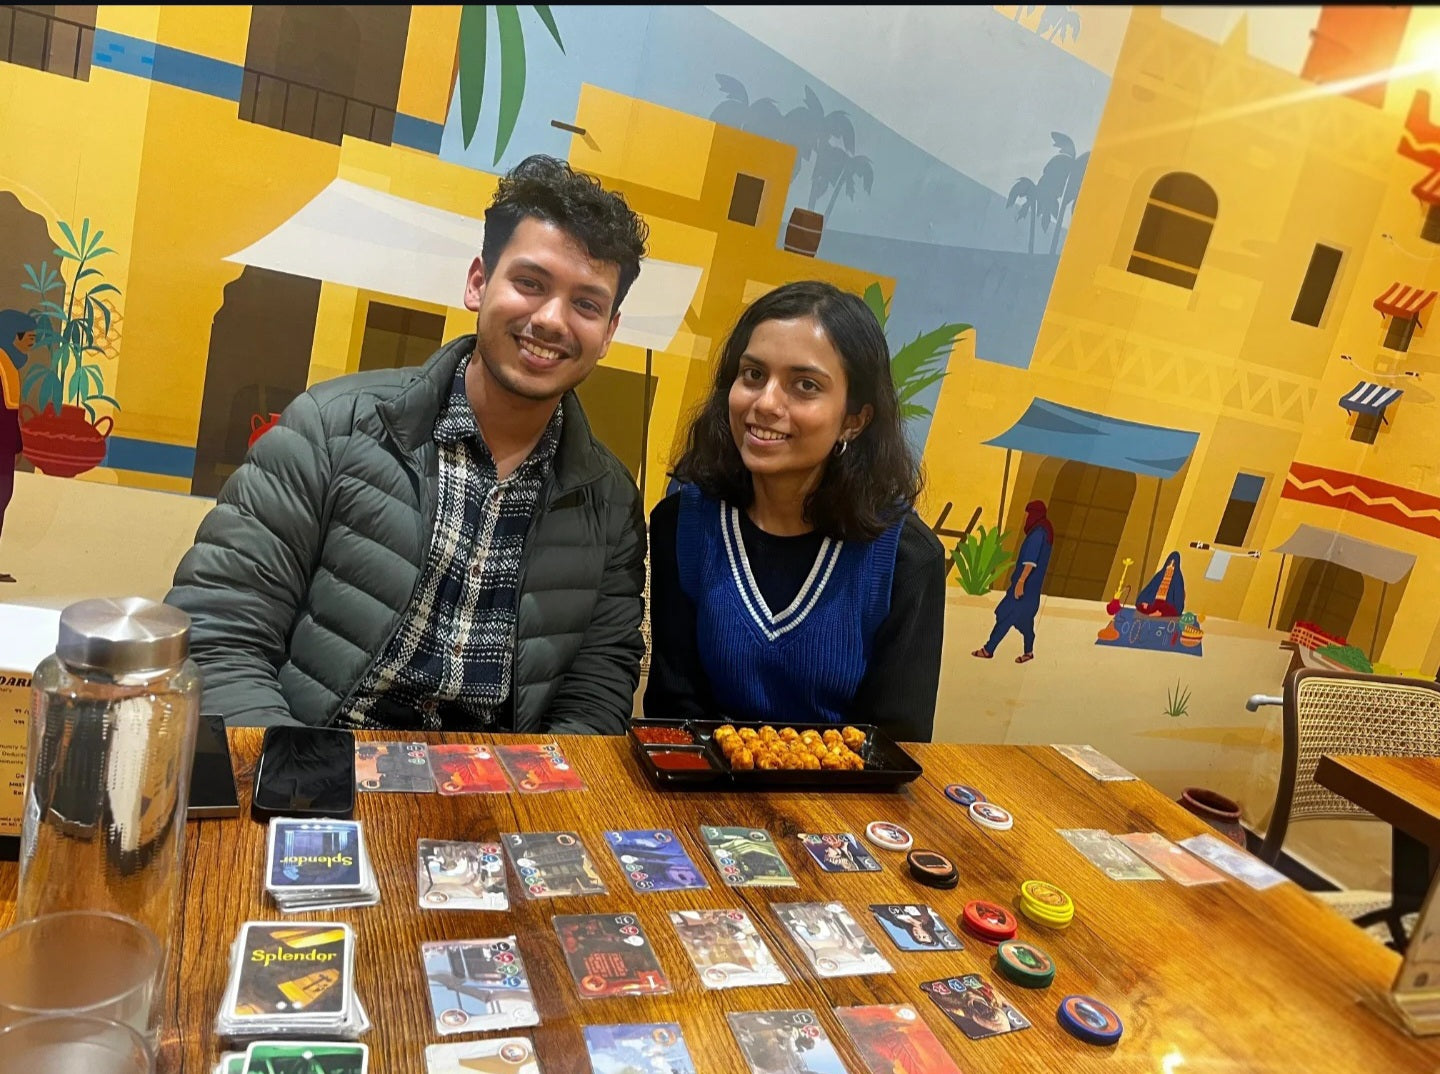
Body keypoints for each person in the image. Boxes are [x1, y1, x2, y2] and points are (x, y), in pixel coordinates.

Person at [167, 155, 650, 733]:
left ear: (609, 333)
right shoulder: (329, 428)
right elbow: (219, 635)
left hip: (497, 793)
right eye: (530, 283)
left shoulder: (610, 499)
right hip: (322, 765)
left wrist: (531, 807)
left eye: (587, 304)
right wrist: (302, 779)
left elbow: (595, 697)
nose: (551, 319)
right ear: (479, 283)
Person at [644, 280, 945, 743]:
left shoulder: (906, 559)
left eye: (805, 385)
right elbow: (673, 711)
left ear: (854, 419)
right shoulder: (680, 525)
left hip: (839, 805)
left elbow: (892, 744)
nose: (765, 404)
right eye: (753, 375)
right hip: (704, 793)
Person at [973, 498, 1052, 664]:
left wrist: (1021, 582)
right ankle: (1028, 652)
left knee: (1006, 616)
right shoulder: (1044, 533)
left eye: (1027, 514)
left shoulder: (1038, 534)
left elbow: (1030, 561)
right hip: (1031, 592)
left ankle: (988, 649)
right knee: (1024, 623)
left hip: (1024, 590)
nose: (1025, 518)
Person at [0, 309, 36, 584]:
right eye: (28, 340)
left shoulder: (9, 367)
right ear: (13, 337)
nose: (30, 346)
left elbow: (11, 414)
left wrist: (18, 444)